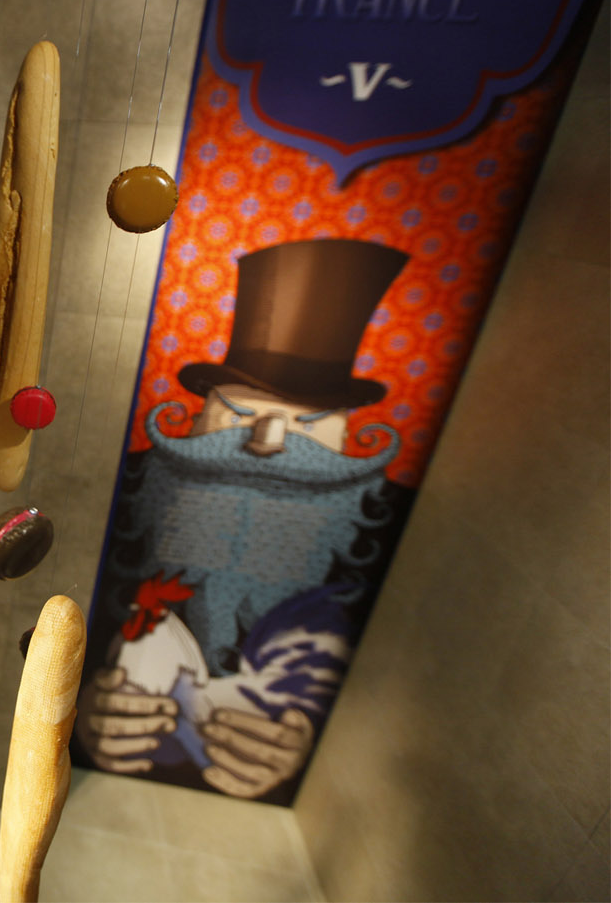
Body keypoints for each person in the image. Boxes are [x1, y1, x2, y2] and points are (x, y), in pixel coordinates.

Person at [73, 238, 415, 801]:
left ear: (349, 430)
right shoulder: (130, 481)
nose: (269, 441)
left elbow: (401, 672)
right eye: (240, 413)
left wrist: (303, 744)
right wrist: (77, 703)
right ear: (199, 413)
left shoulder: (387, 520)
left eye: (307, 424)